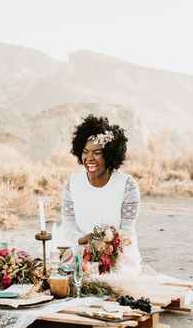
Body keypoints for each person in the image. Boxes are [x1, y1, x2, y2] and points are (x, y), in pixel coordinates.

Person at [53, 114, 143, 277]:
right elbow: (68, 228)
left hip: (117, 257)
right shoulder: (72, 183)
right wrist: (85, 240)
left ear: (109, 154)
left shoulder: (127, 186)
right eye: (85, 152)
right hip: (78, 254)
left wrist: (104, 246)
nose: (89, 158)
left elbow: (126, 233)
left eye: (97, 153)